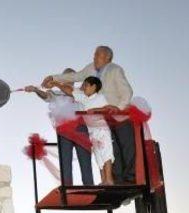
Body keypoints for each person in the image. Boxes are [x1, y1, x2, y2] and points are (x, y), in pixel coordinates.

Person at [43, 45, 135, 183]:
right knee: (104, 150)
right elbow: (75, 76)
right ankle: (111, 180)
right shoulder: (90, 70)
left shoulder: (115, 70)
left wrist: (117, 108)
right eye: (94, 55)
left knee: (123, 146)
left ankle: (129, 179)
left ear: (107, 58)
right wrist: (54, 78)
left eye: (97, 55)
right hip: (98, 119)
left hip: (116, 114)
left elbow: (127, 92)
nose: (94, 57)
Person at [25, 68, 94, 186]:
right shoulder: (56, 93)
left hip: (80, 128)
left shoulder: (80, 92)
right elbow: (45, 95)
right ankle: (68, 190)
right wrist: (36, 90)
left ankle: (89, 188)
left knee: (85, 161)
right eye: (66, 77)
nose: (68, 80)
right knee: (65, 162)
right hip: (64, 131)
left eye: (71, 77)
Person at [51, 76, 115, 185]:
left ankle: (109, 179)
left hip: (101, 128)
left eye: (86, 85)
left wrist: (95, 110)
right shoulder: (83, 98)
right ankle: (104, 180)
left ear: (93, 86)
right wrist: (56, 84)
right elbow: (70, 91)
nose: (83, 87)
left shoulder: (99, 97)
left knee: (106, 153)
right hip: (92, 132)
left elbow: (108, 108)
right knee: (98, 156)